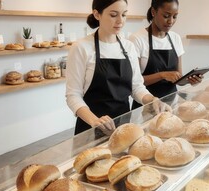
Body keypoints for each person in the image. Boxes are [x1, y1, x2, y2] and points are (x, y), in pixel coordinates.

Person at [66, 0, 170, 135]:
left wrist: (152, 100)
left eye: (124, 14)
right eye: (113, 15)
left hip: (124, 126)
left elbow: (136, 87)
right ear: (97, 14)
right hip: (90, 128)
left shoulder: (128, 47)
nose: (120, 21)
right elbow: (73, 95)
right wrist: (94, 121)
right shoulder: (81, 47)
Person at [129, 0, 202, 109]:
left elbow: (178, 78)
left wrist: (189, 80)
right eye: (166, 16)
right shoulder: (137, 39)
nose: (170, 21)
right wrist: (162, 75)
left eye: (175, 16)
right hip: (145, 106)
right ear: (153, 12)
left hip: (172, 104)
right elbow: (134, 82)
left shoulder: (175, 38)